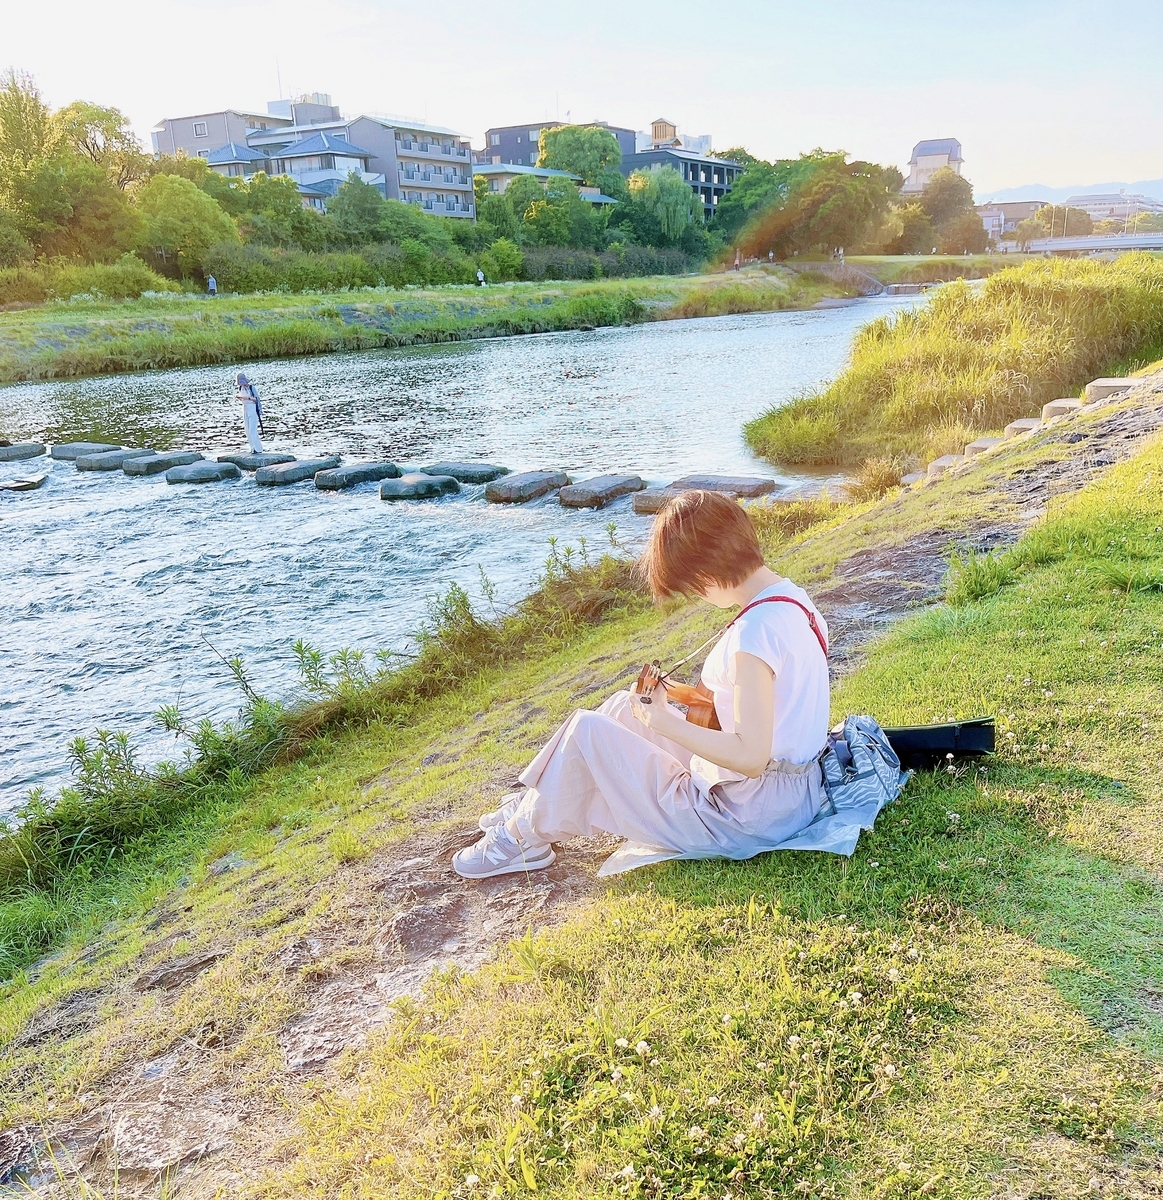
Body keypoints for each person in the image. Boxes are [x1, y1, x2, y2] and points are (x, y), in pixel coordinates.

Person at [452, 490, 831, 879]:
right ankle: (532, 802)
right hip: (790, 792)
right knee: (621, 709)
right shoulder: (791, 600)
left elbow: (751, 757)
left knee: (587, 730)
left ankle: (520, 839)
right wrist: (672, 706)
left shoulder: (755, 633)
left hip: (749, 815)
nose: (695, 594)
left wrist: (664, 722)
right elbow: (774, 706)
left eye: (690, 584)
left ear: (703, 571)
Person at [235, 371, 264, 453]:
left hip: (252, 408)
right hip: (245, 408)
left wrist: (247, 398)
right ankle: (253, 448)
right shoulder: (240, 388)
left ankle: (259, 449)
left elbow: (256, 399)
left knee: (252, 429)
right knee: (247, 429)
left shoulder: (251, 388)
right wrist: (240, 398)